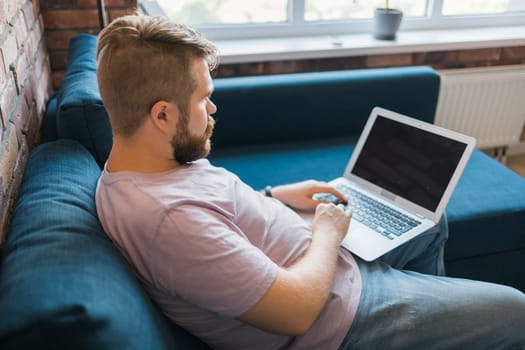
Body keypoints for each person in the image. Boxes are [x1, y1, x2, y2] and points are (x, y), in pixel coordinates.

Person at [95, 14, 525, 350]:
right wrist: (326, 233)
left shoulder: (148, 164)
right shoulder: (167, 221)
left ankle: (432, 321)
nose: (212, 109)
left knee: (428, 218)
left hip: (323, 270)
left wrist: (274, 197)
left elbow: (214, 215)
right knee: (517, 311)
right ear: (163, 115)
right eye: (203, 98)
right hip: (337, 319)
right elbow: (295, 312)